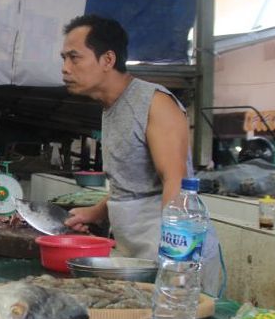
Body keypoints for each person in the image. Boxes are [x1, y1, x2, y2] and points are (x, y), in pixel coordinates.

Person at [60, 15, 190, 260]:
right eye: (64, 58)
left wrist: (176, 259)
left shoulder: (155, 103)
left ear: (108, 59)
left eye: (74, 57)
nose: (65, 68)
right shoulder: (110, 106)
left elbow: (177, 181)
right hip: (134, 248)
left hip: (169, 251)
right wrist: (95, 213)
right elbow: (131, 186)